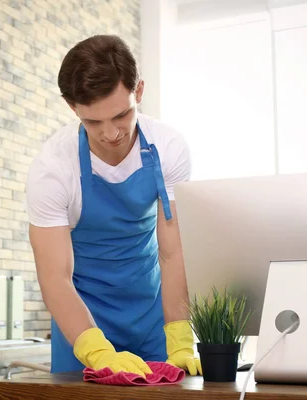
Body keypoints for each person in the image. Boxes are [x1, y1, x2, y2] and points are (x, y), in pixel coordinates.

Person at [25, 34, 202, 377]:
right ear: (71, 107)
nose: (109, 134)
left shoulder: (169, 148)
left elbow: (172, 253)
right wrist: (96, 351)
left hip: (153, 314)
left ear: (139, 92)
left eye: (121, 115)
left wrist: (180, 337)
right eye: (93, 122)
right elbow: (54, 277)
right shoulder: (53, 170)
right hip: (83, 319)